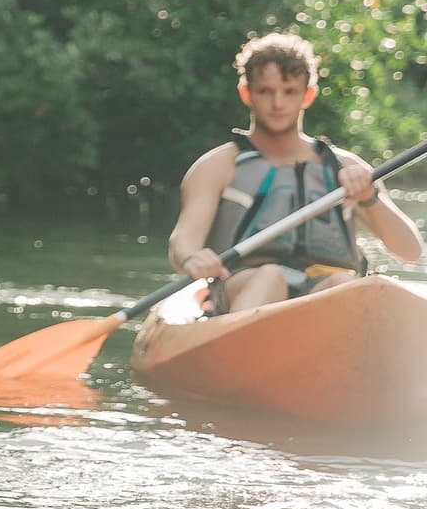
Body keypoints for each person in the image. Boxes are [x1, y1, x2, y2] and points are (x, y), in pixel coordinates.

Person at [167, 32, 420, 314]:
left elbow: (410, 252)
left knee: (341, 281)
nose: (278, 103)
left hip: (322, 294)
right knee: (271, 276)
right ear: (246, 92)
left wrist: (370, 198)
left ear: (308, 94)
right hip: (242, 287)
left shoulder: (346, 169)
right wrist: (192, 258)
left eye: (289, 91)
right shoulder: (218, 166)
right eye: (266, 91)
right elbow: (183, 239)